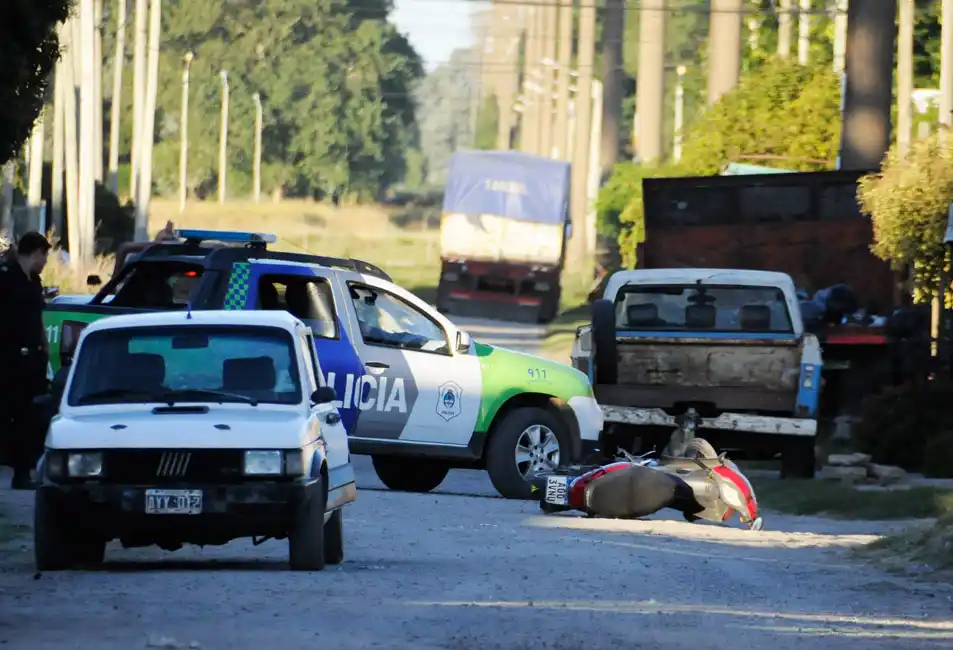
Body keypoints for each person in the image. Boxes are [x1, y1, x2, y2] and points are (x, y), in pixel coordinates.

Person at [0, 232, 52, 489]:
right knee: (10, 414)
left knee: (28, 417)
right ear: (36, 253)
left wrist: (44, 344)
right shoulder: (6, 278)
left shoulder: (34, 282)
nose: (45, 262)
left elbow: (37, 316)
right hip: (9, 358)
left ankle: (22, 473)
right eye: (44, 256)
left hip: (32, 359)